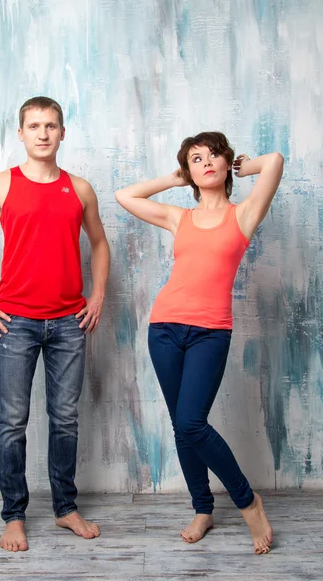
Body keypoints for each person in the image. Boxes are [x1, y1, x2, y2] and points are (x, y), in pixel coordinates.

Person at [0, 96, 110, 552]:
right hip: (14, 322)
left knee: (64, 419)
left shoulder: (79, 189)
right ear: (20, 134)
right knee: (12, 422)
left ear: (63, 133)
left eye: (52, 125)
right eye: (34, 125)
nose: (43, 133)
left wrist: (97, 294)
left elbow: (99, 244)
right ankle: (14, 515)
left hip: (67, 322)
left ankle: (65, 509)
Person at [115, 131, 283, 555]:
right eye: (195, 158)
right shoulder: (180, 217)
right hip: (165, 327)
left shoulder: (243, 215)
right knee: (181, 424)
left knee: (192, 422)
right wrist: (172, 180)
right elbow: (125, 195)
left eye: (213, 156)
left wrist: (249, 166)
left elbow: (277, 160)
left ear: (226, 164)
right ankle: (202, 508)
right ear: (189, 171)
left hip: (211, 331)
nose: (205, 162)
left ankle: (248, 502)